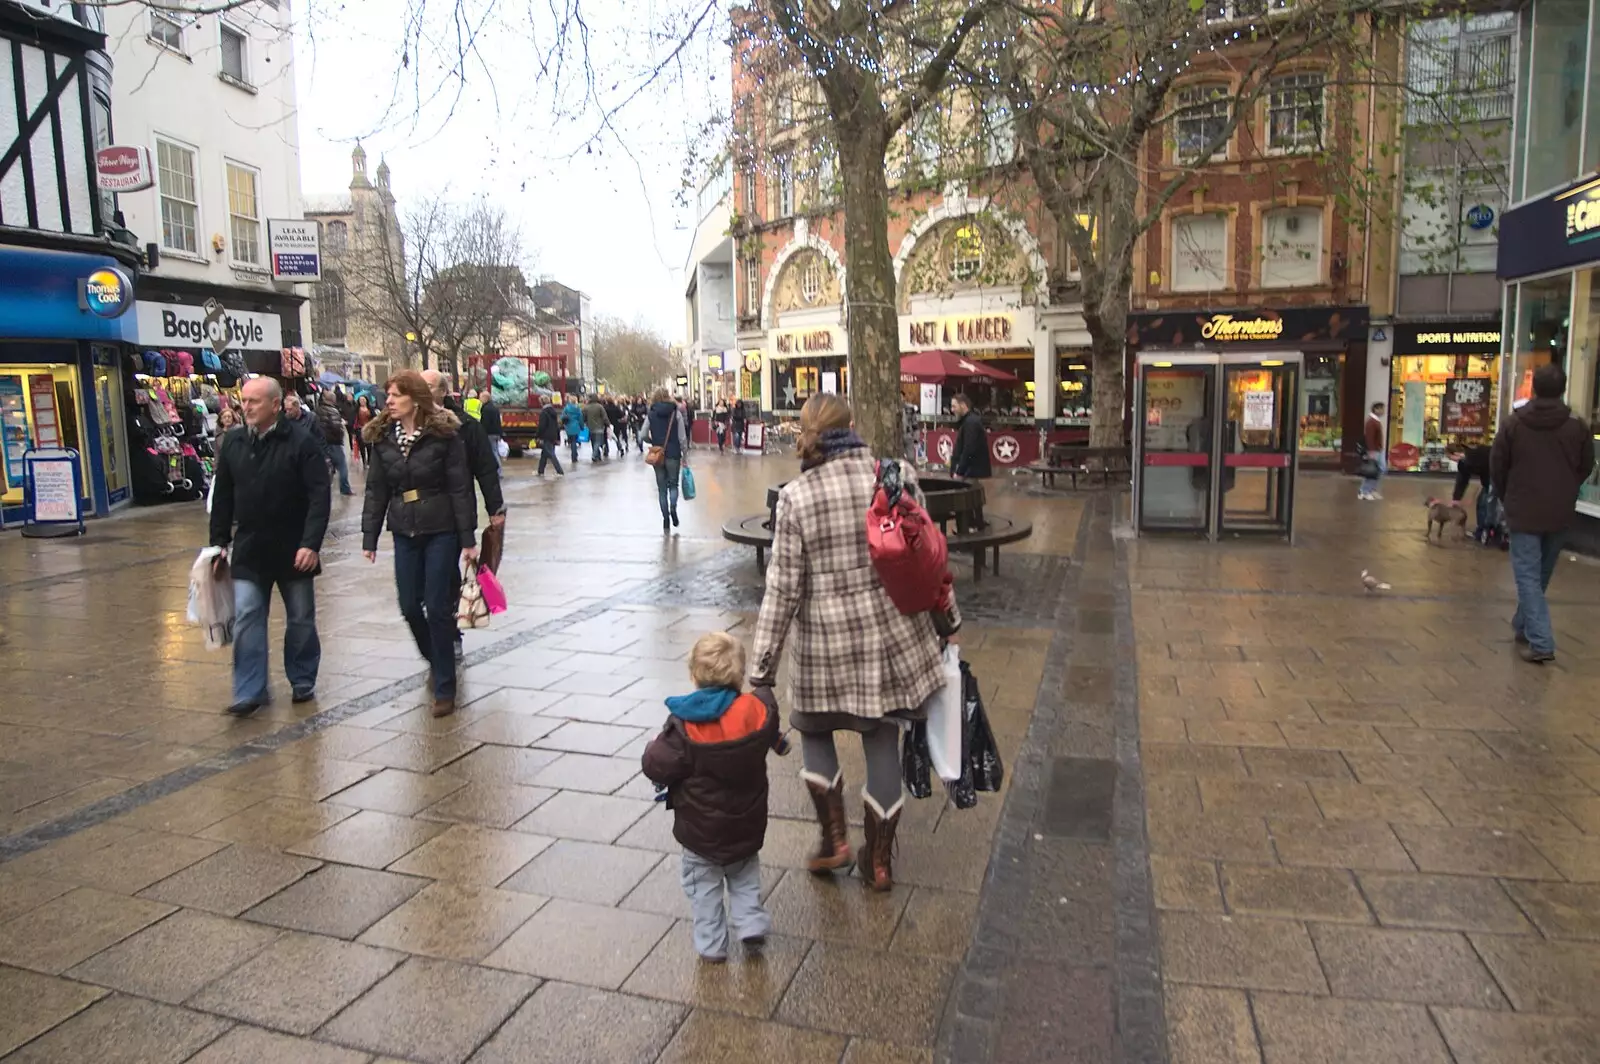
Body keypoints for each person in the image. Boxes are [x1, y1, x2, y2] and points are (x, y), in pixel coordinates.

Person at [749, 393, 959, 891]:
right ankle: (880, 861)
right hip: (889, 645)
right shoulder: (896, 475)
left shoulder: (797, 497)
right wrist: (948, 619)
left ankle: (833, 840)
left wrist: (760, 671)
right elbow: (930, 558)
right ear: (854, 424)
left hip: (825, 647)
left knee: (815, 733)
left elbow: (782, 591)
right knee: (882, 738)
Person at [641, 631, 786, 963]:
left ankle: (711, 945)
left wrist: (654, 744)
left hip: (700, 834)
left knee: (703, 890)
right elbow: (770, 720)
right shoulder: (757, 711)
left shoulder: (683, 726)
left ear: (694, 675)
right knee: (744, 877)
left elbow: (656, 765)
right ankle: (750, 923)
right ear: (738, 675)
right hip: (746, 826)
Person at [209, 377, 331, 715]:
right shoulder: (233, 443)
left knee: (301, 618)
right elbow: (222, 498)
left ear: (275, 405)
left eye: (254, 401)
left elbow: (319, 496)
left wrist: (311, 543)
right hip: (250, 548)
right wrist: (218, 543)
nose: (245, 407)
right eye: (243, 400)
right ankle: (249, 690)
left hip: (294, 548)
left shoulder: (301, 442)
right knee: (247, 614)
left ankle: (302, 678)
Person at [361, 371, 479, 716]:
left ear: (414, 397)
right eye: (388, 396)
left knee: (438, 606)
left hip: (441, 527)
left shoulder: (444, 434)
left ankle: (445, 685)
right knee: (410, 606)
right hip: (404, 527)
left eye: (396, 395)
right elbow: (376, 489)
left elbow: (460, 487)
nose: (389, 402)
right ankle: (436, 656)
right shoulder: (384, 437)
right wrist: (370, 537)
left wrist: (468, 537)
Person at [1490, 364, 1595, 664]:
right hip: (1559, 509)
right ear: (1562, 389)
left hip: (1523, 508)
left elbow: (1498, 465)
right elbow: (1586, 465)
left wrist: (1506, 493)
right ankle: (1524, 624)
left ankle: (1541, 641)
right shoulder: (1577, 426)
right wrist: (1568, 487)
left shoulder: (1514, 424)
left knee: (1527, 575)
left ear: (1534, 388)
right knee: (1540, 573)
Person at [949, 393, 991, 528]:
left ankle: (969, 528)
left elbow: (969, 449)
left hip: (969, 471)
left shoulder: (971, 423)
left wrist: (959, 470)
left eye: (954, 406)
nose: (952, 409)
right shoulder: (969, 421)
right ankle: (975, 525)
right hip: (969, 470)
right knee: (972, 500)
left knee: (967, 500)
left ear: (963, 405)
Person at [648, 388, 686, 533]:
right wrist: (685, 454)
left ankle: (665, 519)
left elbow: (643, 434)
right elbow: (682, 437)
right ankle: (673, 508)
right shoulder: (676, 413)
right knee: (674, 485)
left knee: (662, 489)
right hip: (674, 453)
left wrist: (652, 441)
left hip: (658, 454)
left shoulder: (651, 414)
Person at [1446, 443, 1495, 538]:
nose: (1450, 460)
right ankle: (1482, 531)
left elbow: (1494, 465)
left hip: (1497, 480)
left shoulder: (1478, 452)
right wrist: (1456, 498)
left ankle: (1491, 530)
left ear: (1455, 453)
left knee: (1488, 504)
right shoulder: (1463, 464)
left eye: (1450, 457)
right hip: (1488, 482)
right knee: (1482, 504)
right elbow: (1462, 480)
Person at [315, 393, 355, 496]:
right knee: (342, 466)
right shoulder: (333, 411)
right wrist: (341, 433)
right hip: (334, 442)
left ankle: (324, 490)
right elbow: (336, 426)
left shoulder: (318, 410)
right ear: (333, 399)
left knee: (328, 467)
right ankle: (345, 488)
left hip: (322, 442)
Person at [1359, 401, 1386, 501]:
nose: (1383, 411)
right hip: (1374, 450)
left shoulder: (1375, 421)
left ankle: (1370, 490)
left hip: (1378, 449)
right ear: (1376, 409)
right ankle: (1365, 491)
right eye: (1382, 409)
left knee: (1377, 470)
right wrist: (1371, 452)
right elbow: (1369, 438)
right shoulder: (1371, 422)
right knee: (1373, 471)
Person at [536, 396, 565, 476]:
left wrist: (538, 436)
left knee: (551, 454)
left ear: (542, 402)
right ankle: (540, 471)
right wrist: (558, 437)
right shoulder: (553, 411)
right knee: (544, 454)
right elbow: (556, 425)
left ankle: (560, 471)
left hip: (546, 436)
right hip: (553, 435)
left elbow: (542, 426)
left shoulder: (544, 412)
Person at [479, 389, 504, 470]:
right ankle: (498, 470)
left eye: (481, 398)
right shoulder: (494, 407)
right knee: (495, 451)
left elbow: (485, 423)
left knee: (493, 452)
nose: (480, 400)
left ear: (485, 398)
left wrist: (482, 432)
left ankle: (498, 470)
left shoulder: (485, 409)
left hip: (490, 433)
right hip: (496, 433)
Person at [584, 394, 610, 463]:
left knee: (593, 442)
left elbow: (583, 417)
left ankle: (597, 456)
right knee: (598, 442)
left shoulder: (586, 407)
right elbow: (604, 417)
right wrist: (608, 424)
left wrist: (584, 424)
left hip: (590, 427)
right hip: (599, 427)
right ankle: (594, 455)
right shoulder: (600, 407)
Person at [353, 395, 376, 466]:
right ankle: (364, 461)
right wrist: (353, 432)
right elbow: (354, 420)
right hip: (360, 429)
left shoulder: (370, 408)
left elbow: (374, 417)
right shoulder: (356, 409)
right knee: (362, 446)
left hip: (368, 429)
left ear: (366, 400)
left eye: (363, 399)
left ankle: (369, 460)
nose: (362, 401)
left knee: (369, 446)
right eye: (360, 400)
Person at [562, 394, 583, 465]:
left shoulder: (566, 408)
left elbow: (562, 417)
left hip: (568, 426)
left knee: (571, 441)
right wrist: (582, 427)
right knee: (574, 441)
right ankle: (574, 456)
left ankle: (574, 455)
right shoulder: (578, 409)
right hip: (576, 426)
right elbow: (580, 419)